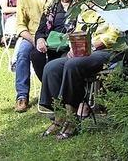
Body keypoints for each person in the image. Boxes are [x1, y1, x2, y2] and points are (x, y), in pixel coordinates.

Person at [40, 8, 120, 139]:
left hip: (108, 51)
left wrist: (90, 47)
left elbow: (114, 34)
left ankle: (72, 118)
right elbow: (78, 32)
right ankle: (59, 116)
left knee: (73, 65)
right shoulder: (84, 7)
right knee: (51, 68)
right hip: (83, 51)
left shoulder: (114, 4)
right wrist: (74, 47)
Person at [12, 0, 50, 112]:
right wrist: (35, 41)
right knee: (22, 54)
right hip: (32, 36)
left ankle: (52, 91)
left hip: (53, 36)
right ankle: (22, 96)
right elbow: (20, 26)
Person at [31, 0, 77, 81]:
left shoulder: (79, 6)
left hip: (69, 45)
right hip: (51, 45)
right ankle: (46, 83)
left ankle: (55, 88)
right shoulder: (50, 8)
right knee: (36, 54)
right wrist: (40, 40)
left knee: (63, 61)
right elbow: (40, 31)